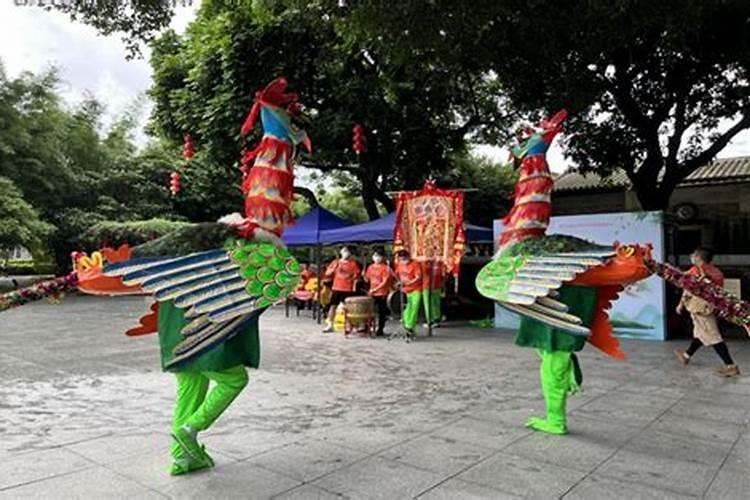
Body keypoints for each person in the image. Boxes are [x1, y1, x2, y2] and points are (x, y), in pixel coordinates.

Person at [674, 247, 739, 377]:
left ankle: (730, 365)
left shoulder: (695, 271)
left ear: (698, 258)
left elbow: (687, 288)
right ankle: (687, 355)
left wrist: (680, 304)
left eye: (693, 254)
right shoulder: (717, 272)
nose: (691, 256)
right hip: (710, 307)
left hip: (699, 308)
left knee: (713, 336)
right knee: (700, 333)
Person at [323, 246, 361, 332]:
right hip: (336, 287)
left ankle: (350, 325)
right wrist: (333, 268)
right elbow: (328, 273)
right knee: (333, 306)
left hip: (348, 289)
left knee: (348, 308)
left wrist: (353, 281)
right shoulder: (335, 262)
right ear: (341, 252)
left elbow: (357, 277)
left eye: (347, 251)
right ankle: (330, 325)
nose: (345, 253)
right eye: (344, 251)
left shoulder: (353, 264)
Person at [364, 247, 395, 336]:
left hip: (382, 293)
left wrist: (375, 289)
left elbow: (384, 282)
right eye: (375, 256)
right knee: (369, 311)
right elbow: (367, 279)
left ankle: (380, 328)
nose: (377, 258)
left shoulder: (385, 268)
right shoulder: (370, 267)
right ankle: (368, 326)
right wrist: (364, 277)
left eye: (379, 256)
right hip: (372, 292)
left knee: (382, 312)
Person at [395, 250, 422, 337]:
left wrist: (408, 283)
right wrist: (398, 283)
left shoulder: (415, 264)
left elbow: (418, 277)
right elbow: (397, 276)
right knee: (406, 309)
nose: (403, 260)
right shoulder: (399, 265)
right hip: (405, 291)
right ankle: (408, 326)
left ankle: (409, 326)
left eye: (405, 258)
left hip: (415, 290)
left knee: (414, 308)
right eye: (401, 258)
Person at [421, 260, 445, 328]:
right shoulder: (425, 262)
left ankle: (433, 320)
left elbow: (443, 275)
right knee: (431, 303)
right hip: (428, 285)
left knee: (433, 303)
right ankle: (432, 320)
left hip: (434, 285)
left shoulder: (440, 263)